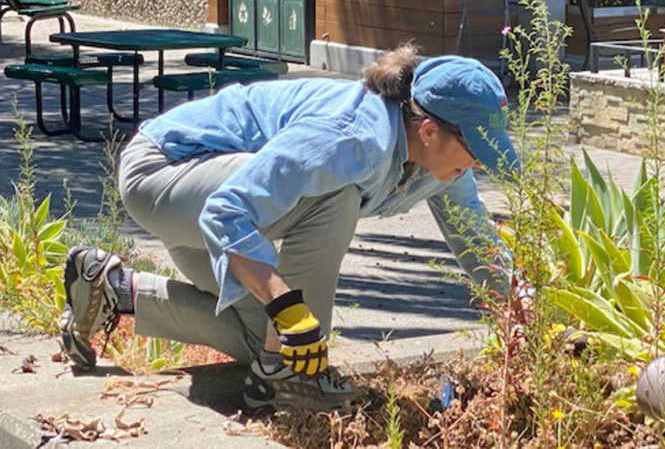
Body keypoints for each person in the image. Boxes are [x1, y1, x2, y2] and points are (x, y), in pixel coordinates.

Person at [58, 44, 519, 412]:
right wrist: (286, 306)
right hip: (166, 175)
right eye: (474, 148)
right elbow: (227, 211)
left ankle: (114, 289)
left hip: (218, 207)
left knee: (265, 343)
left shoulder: (441, 169)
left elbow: (477, 242)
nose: (478, 162)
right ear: (429, 130)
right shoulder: (354, 138)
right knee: (334, 201)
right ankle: (293, 381)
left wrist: (530, 315)